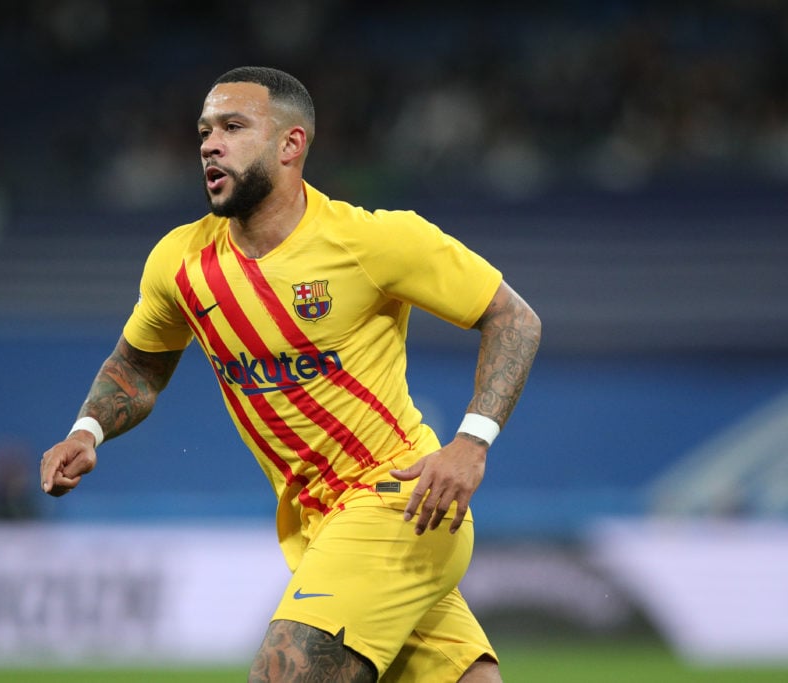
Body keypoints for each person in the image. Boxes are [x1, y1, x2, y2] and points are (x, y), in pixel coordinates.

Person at [40, 66, 541, 682]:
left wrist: (471, 442)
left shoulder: (373, 242)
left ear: (291, 144)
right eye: (204, 131)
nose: (209, 144)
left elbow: (514, 319)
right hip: (321, 523)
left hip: (393, 498)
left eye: (232, 127)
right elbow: (139, 363)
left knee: (284, 674)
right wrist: (86, 430)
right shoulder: (180, 263)